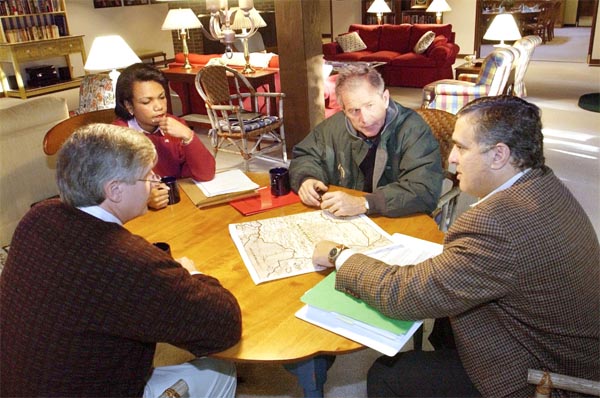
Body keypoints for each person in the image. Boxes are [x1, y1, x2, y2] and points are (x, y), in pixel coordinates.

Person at [312, 96, 599, 397]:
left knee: (387, 374)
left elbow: (402, 295)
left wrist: (340, 255)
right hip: (562, 348)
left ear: (499, 155)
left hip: (545, 377)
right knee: (443, 324)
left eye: (461, 147)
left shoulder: (496, 224)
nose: (450, 158)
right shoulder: (542, 183)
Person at [0, 124, 242, 397]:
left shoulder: (37, 218)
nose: (155, 179)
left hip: (21, 384)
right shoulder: (128, 263)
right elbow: (224, 326)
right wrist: (192, 274)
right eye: (147, 175)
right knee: (220, 371)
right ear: (114, 190)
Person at [289, 65, 443, 218]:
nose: (365, 119)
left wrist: (365, 203)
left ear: (385, 98)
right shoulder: (334, 126)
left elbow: (424, 189)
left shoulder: (414, 130)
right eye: (354, 110)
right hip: (348, 218)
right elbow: (306, 155)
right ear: (343, 110)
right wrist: (306, 178)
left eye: (370, 105)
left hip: (398, 217)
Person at [114, 62, 216, 210]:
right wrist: (144, 198)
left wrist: (188, 135)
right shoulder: (117, 136)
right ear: (129, 106)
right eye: (147, 101)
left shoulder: (175, 126)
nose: (159, 106)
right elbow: (112, 191)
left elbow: (206, 174)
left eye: (162, 97)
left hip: (178, 206)